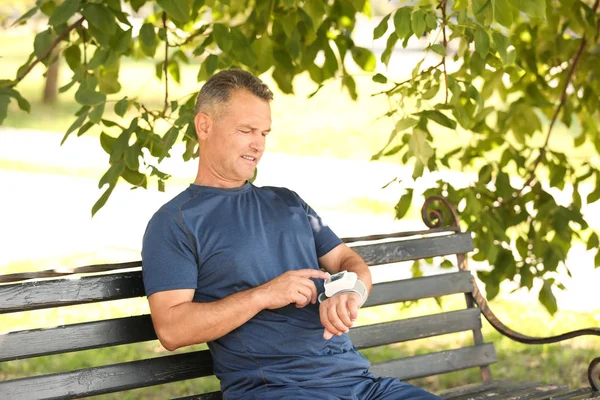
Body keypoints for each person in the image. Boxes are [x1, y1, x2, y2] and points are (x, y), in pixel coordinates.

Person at [141, 69, 441, 400]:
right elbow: (171, 329)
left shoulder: (287, 202)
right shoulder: (176, 222)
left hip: (362, 385)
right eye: (246, 130)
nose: (258, 144)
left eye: (265, 133)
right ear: (204, 126)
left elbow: (347, 261)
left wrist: (350, 292)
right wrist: (263, 295)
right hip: (280, 390)